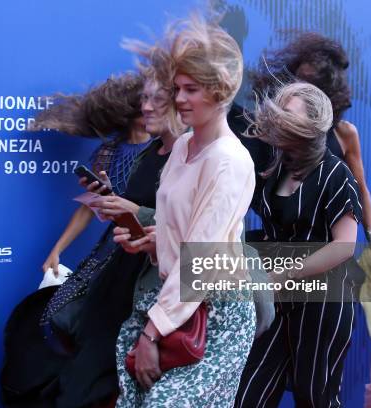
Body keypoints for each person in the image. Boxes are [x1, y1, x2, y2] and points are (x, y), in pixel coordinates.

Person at [1, 71, 184, 407]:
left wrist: (130, 210)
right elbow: (93, 210)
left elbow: (190, 229)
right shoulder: (118, 153)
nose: (146, 108)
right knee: (61, 324)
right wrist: (60, 247)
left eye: (155, 100)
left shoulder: (187, 157)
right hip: (112, 256)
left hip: (149, 272)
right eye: (142, 100)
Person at [113, 16, 256, 407]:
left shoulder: (228, 160)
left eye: (191, 89)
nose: (178, 99)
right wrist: (150, 241)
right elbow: (181, 236)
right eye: (177, 88)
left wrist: (151, 334)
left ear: (221, 91)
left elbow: (202, 261)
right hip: (173, 303)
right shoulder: (181, 147)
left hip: (216, 315)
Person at [234, 82, 362, 407]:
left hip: (321, 302)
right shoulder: (275, 168)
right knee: (249, 392)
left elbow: (344, 246)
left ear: (312, 124)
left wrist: (281, 276)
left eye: (286, 114)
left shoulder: (336, 175)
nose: (276, 120)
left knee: (316, 396)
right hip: (275, 301)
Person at [251, 32, 371, 245]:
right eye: (297, 80)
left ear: (325, 91)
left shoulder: (345, 134)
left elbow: (361, 189)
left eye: (308, 83)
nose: (299, 88)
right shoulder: (277, 135)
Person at [32, 74, 152, 274]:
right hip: (116, 245)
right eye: (144, 102)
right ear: (128, 110)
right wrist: (56, 251)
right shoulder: (109, 152)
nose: (151, 108)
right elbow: (89, 206)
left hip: (154, 243)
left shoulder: (165, 149)